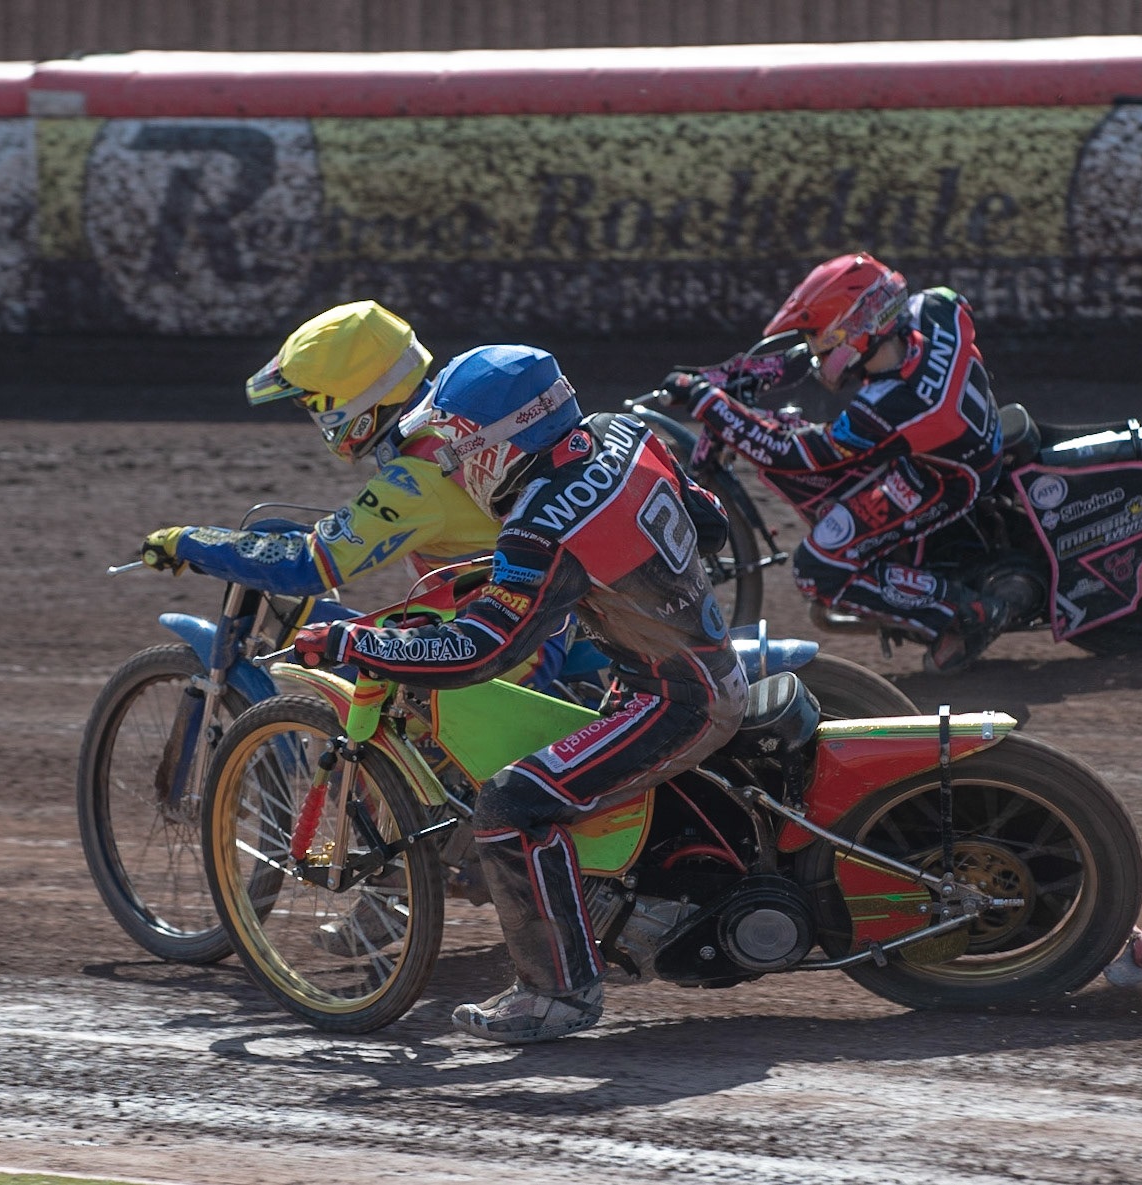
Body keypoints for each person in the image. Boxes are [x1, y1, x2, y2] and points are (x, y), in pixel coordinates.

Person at [289, 344, 749, 1043]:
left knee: (508, 805)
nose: (453, 461)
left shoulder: (541, 523)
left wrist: (358, 642)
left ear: (501, 445)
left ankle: (556, 993)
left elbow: (478, 649)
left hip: (675, 699)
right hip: (689, 668)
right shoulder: (623, 431)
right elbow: (709, 521)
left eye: (458, 445)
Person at [135, 300, 568, 691]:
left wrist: (187, 540)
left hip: (501, 651)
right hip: (541, 619)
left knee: (365, 711)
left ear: (355, 403)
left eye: (313, 405)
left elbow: (306, 566)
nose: (312, 417)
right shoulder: (454, 420)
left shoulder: (417, 477)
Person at [663, 253, 1014, 674]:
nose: (814, 348)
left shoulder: (891, 407)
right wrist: (738, 374)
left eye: (819, 337)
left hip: (946, 479)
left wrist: (708, 402)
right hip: (964, 435)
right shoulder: (933, 309)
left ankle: (964, 613)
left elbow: (792, 453)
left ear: (861, 327)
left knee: (820, 567)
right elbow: (826, 356)